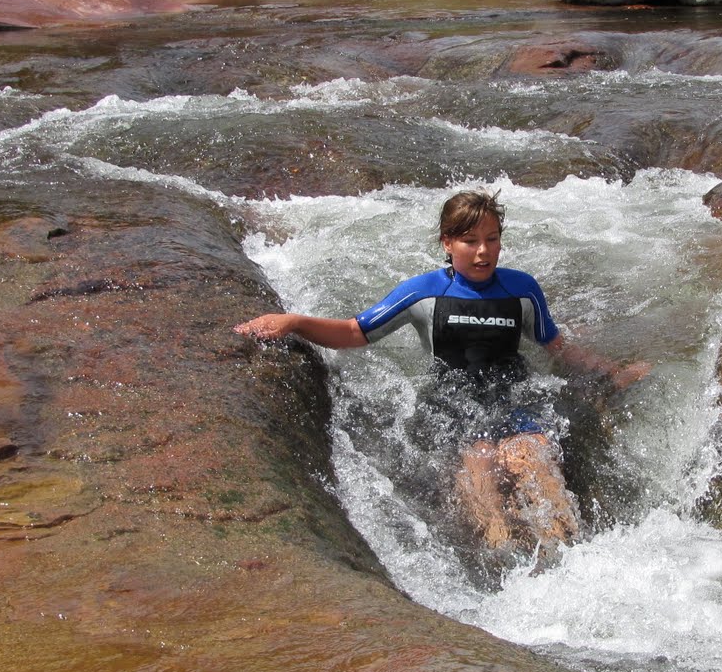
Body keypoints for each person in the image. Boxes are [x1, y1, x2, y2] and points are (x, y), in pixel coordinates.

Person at [234, 190, 648, 553]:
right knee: (483, 461)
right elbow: (355, 332)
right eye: (470, 242)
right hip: (453, 401)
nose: (483, 251)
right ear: (447, 243)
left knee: (532, 453)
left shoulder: (522, 289)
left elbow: (557, 348)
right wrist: (293, 322)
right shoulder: (423, 291)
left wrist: (612, 372)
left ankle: (571, 551)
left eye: (492, 240)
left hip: (514, 394)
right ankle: (501, 553)